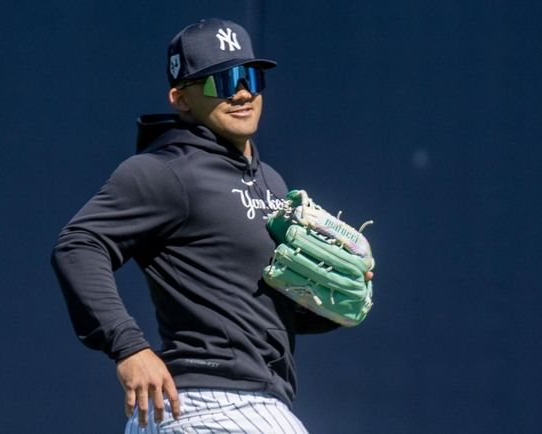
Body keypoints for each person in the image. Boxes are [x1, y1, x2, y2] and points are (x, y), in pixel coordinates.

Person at [52, 18, 368, 433]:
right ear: (180, 98)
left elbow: (257, 305)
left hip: (231, 403)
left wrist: (327, 302)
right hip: (212, 403)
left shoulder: (270, 182)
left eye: (249, 76)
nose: (241, 92)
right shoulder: (167, 172)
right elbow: (79, 244)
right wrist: (129, 347)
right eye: (221, 81)